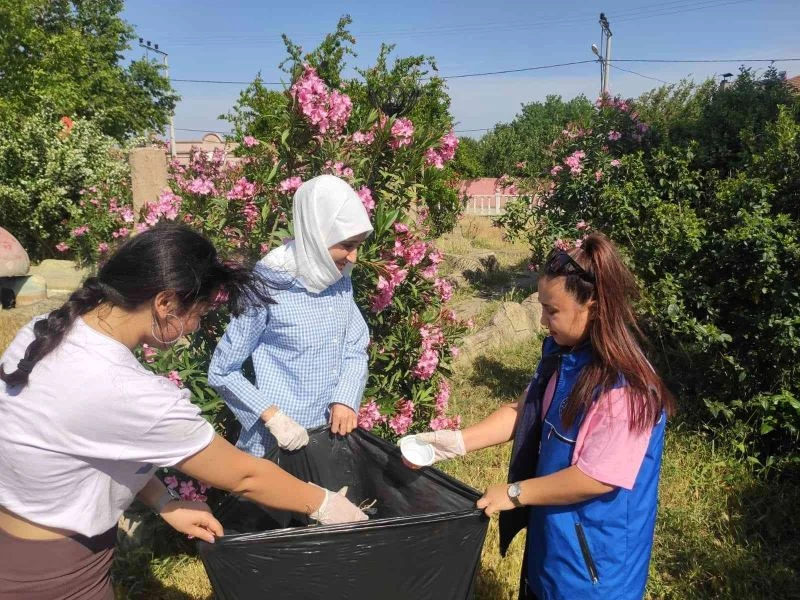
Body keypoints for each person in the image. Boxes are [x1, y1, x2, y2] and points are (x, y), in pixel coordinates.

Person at [0, 224, 366, 600]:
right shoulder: (128, 391)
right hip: (57, 576)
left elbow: (97, 442)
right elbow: (245, 476)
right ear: (165, 303)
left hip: (16, 546)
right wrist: (325, 504)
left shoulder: (45, 332)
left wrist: (164, 502)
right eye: (200, 314)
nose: (196, 326)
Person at [409, 233, 675, 600]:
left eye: (553, 311)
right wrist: (455, 442)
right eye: (542, 307)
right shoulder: (564, 354)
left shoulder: (625, 388)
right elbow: (527, 411)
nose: (542, 320)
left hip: (594, 568)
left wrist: (516, 493)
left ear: (593, 308)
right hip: (555, 540)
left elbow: (595, 478)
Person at [208, 175, 373, 456]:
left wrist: (345, 398)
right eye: (346, 245)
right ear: (318, 236)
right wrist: (273, 417)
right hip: (277, 447)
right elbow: (222, 371)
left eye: (358, 245)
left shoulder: (339, 279)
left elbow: (355, 346)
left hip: (327, 441)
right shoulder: (268, 285)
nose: (354, 257)